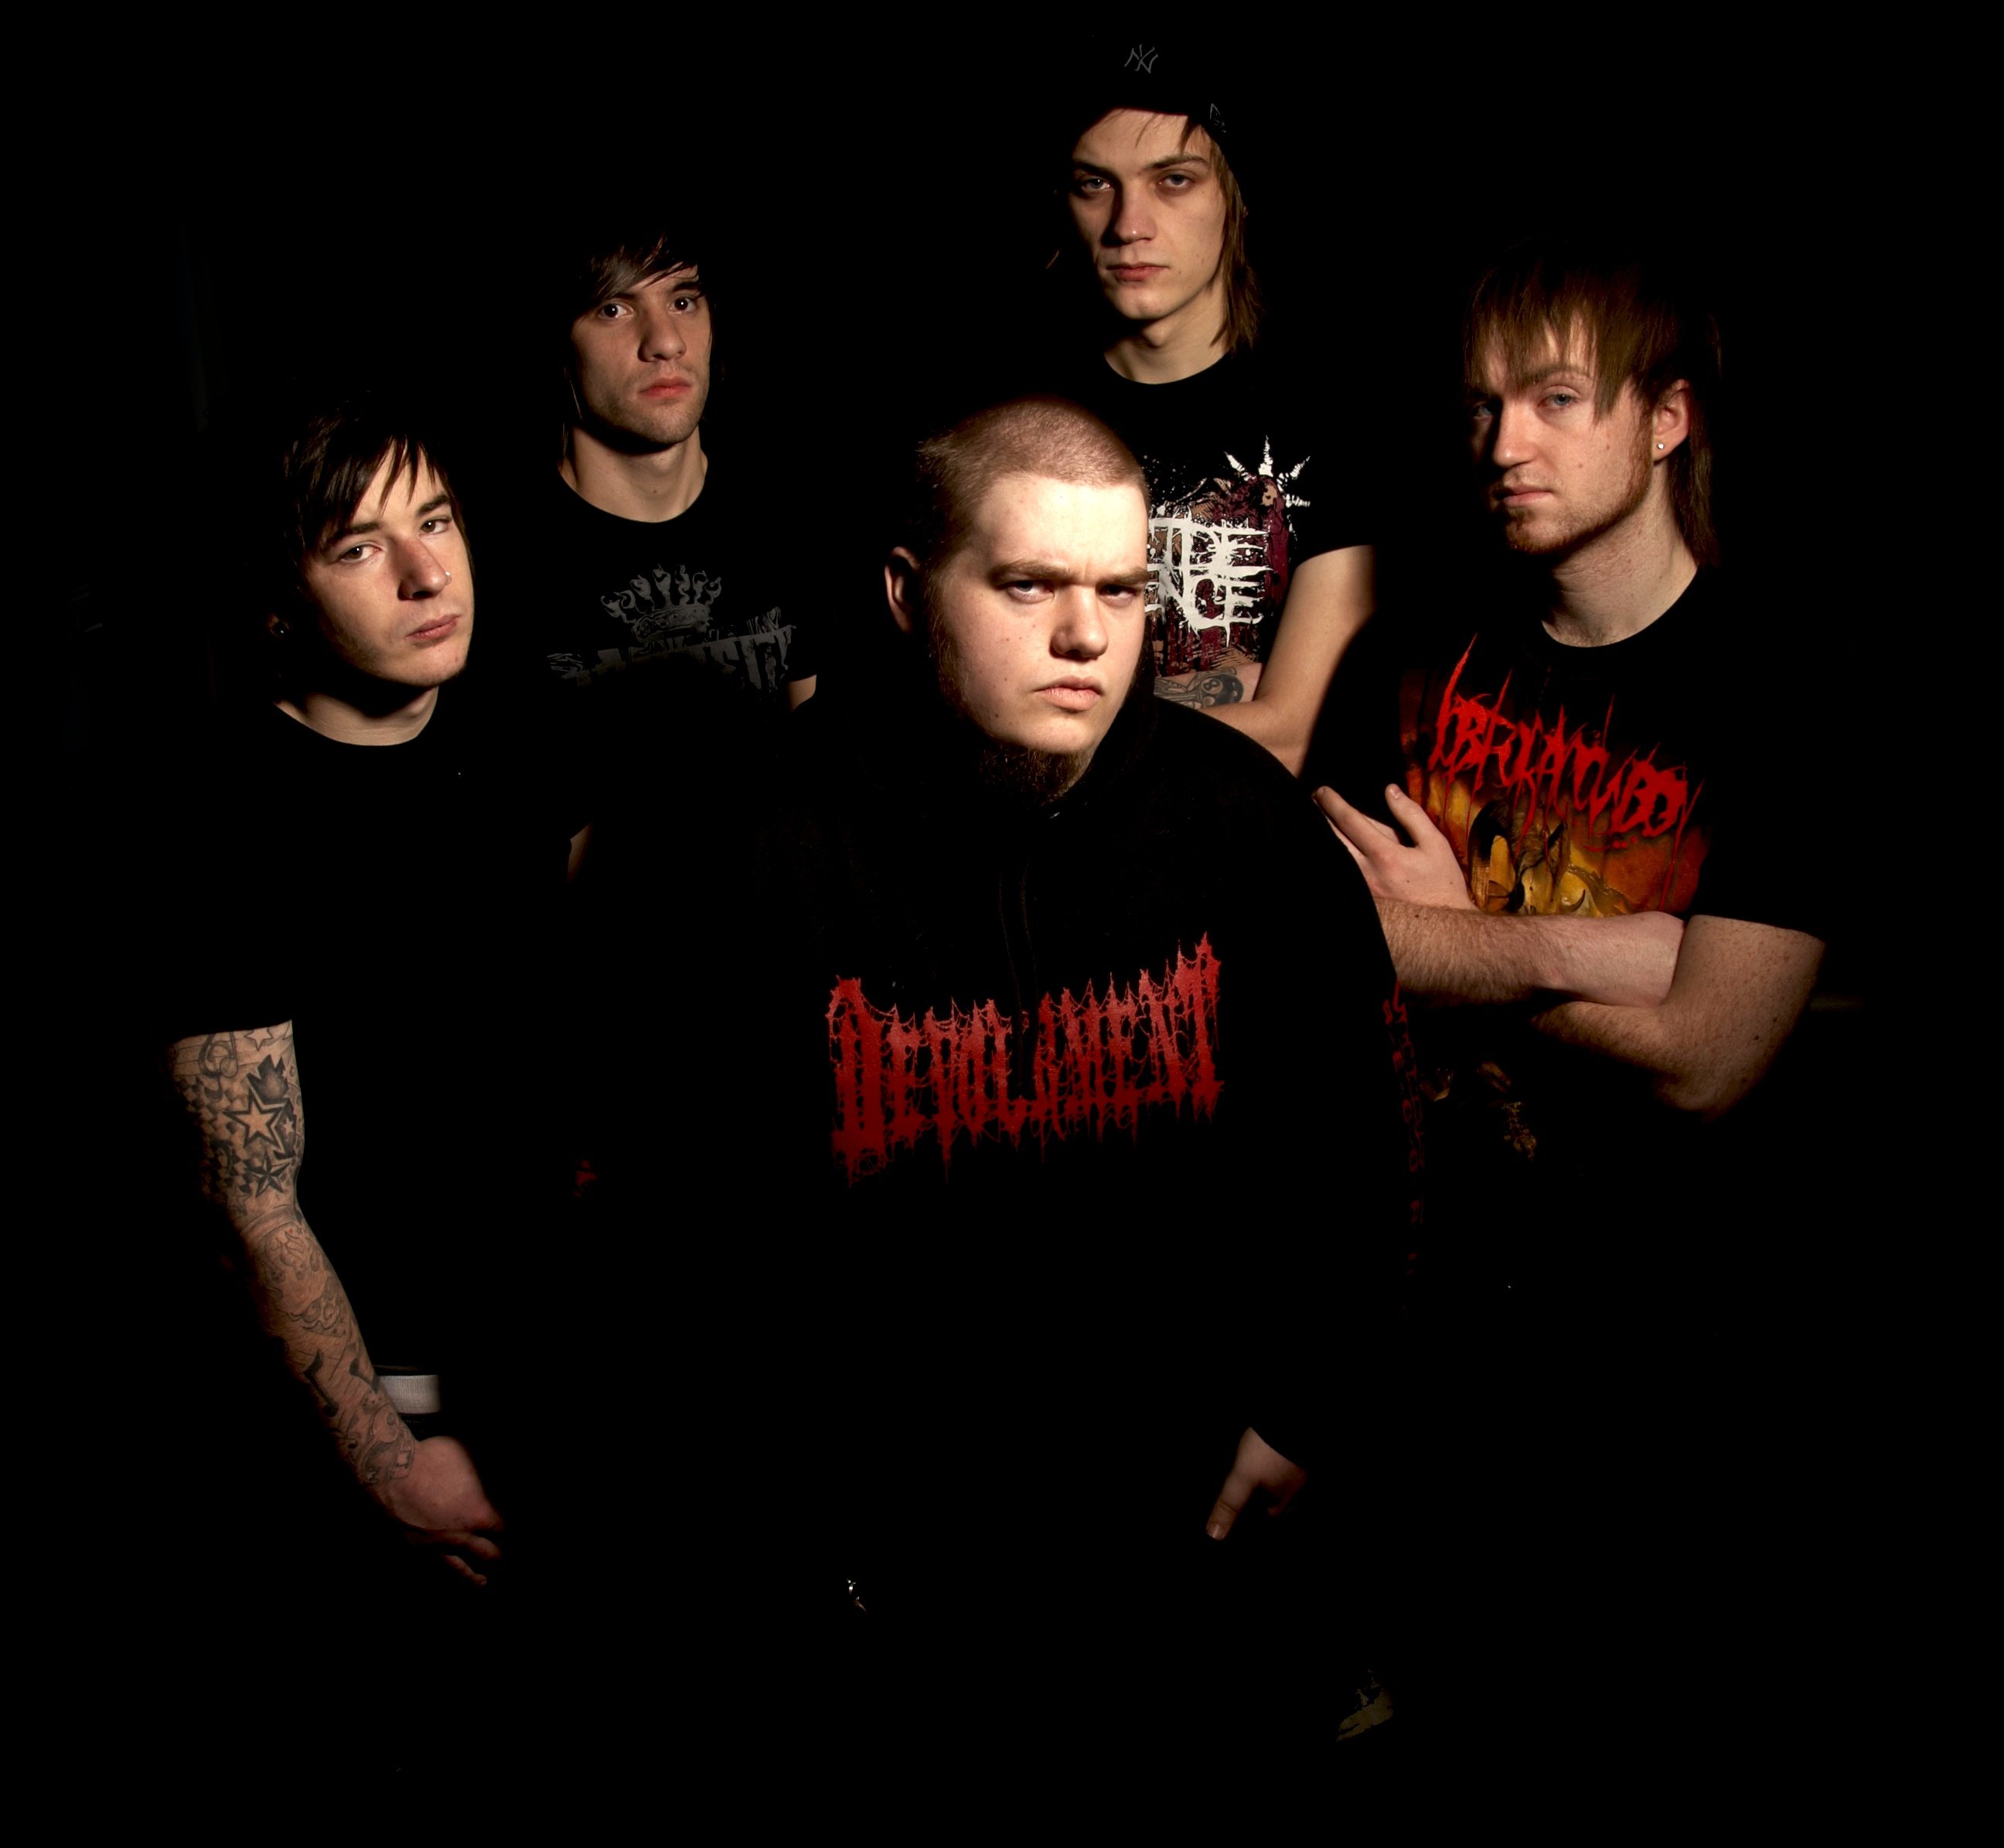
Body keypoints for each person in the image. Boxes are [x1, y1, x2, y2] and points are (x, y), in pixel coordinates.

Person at [629, 396, 1419, 1732]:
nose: (1087, 637)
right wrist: (787, 1533)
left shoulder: (1241, 824)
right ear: (905, 590)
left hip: (1195, 1550)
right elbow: (677, 1225)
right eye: (1029, 584)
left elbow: (1362, 1144)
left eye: (1120, 589)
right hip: (884, 1591)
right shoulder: (756, 850)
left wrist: (1303, 1408)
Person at [1317, 245, 1828, 1772]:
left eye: (1553, 399)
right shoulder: (1408, 656)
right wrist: (1624, 949)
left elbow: (1704, 1060)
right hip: (1412, 1345)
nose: (1501, 444)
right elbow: (1326, 954)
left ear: (1667, 418)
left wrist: (1453, 940)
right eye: (1483, 406)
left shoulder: (1782, 694)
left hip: (1662, 1377)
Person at [154, 394, 587, 1615]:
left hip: (558, 1348)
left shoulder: (519, 734)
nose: (425, 572)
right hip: (391, 1390)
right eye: (358, 546)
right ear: (278, 599)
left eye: (435, 521)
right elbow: (249, 1197)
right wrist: (384, 1454)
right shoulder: (220, 820)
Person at [1041, 58, 1374, 777]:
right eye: (1095, 184)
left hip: (1247, 836)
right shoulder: (1017, 421)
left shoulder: (1329, 419)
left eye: (1173, 180)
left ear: (1235, 198)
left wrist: (1069, 733)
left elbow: (1288, 735)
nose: (1129, 226)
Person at [499, 220, 815, 715]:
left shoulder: (785, 521)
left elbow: (812, 739)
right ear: (561, 344)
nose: (666, 342)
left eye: (683, 302)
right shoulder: (496, 564)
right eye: (614, 309)